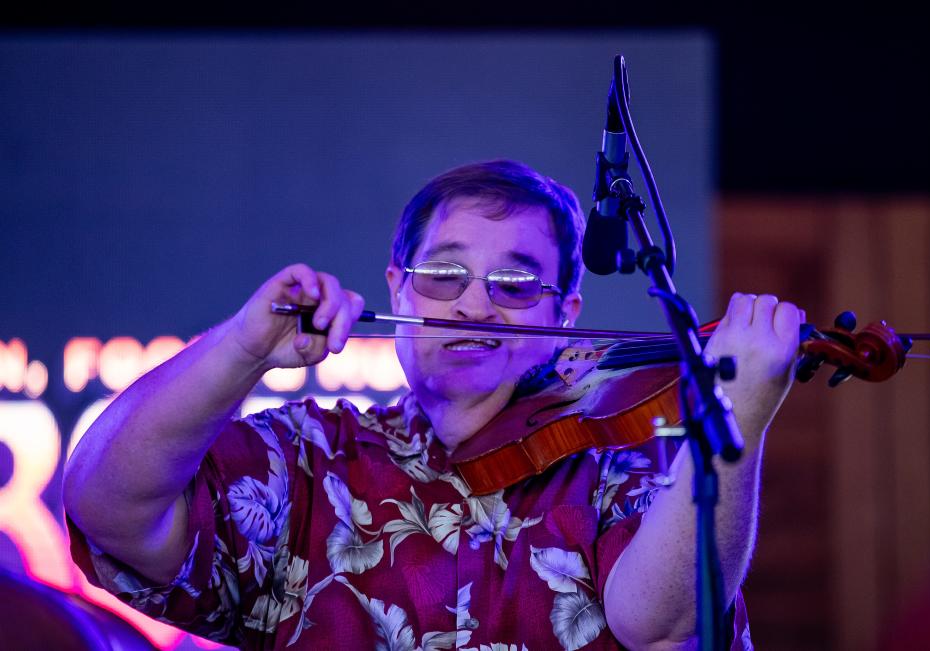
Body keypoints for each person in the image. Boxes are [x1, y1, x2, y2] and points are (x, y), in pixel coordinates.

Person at [64, 160, 801, 650]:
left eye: (516, 284)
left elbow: (666, 627)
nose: (475, 304)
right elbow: (109, 507)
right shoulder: (313, 458)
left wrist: (735, 419)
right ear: (398, 289)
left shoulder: (616, 469)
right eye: (445, 274)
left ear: (567, 311)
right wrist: (240, 350)